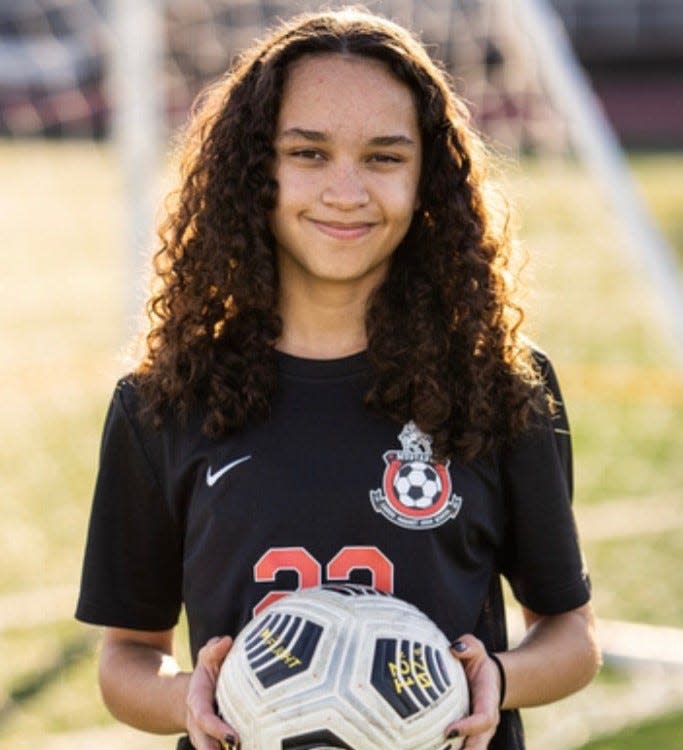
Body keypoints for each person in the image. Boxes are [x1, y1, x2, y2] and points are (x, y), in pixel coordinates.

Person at [76, 7, 601, 750]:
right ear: (254, 169)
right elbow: (128, 655)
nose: (346, 191)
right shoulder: (163, 401)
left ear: (429, 181)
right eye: (308, 153)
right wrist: (184, 702)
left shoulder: (499, 383)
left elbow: (569, 634)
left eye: (384, 157)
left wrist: (498, 680)